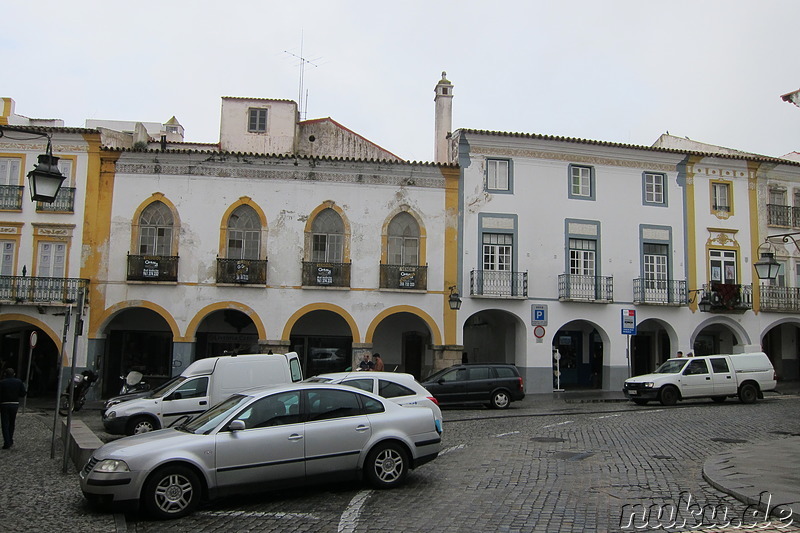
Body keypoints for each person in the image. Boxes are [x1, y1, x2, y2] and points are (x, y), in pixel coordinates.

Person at [0, 368, 27, 450]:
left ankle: (7, 442)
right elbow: (23, 393)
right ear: (14, 374)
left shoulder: (2, 383)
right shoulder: (18, 382)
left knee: (5, 423)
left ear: (5, 374)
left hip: (4, 404)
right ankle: (10, 439)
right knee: (12, 422)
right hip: (14, 404)